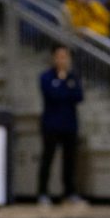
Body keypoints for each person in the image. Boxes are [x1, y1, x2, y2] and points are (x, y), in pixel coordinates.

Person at [37, 44, 84, 206]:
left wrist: (63, 89)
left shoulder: (74, 76)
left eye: (66, 56)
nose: (63, 59)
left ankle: (69, 192)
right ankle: (42, 192)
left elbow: (78, 96)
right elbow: (52, 96)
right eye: (60, 56)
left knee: (70, 161)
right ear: (53, 58)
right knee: (47, 159)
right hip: (51, 125)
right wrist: (65, 88)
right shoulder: (46, 77)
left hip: (70, 125)